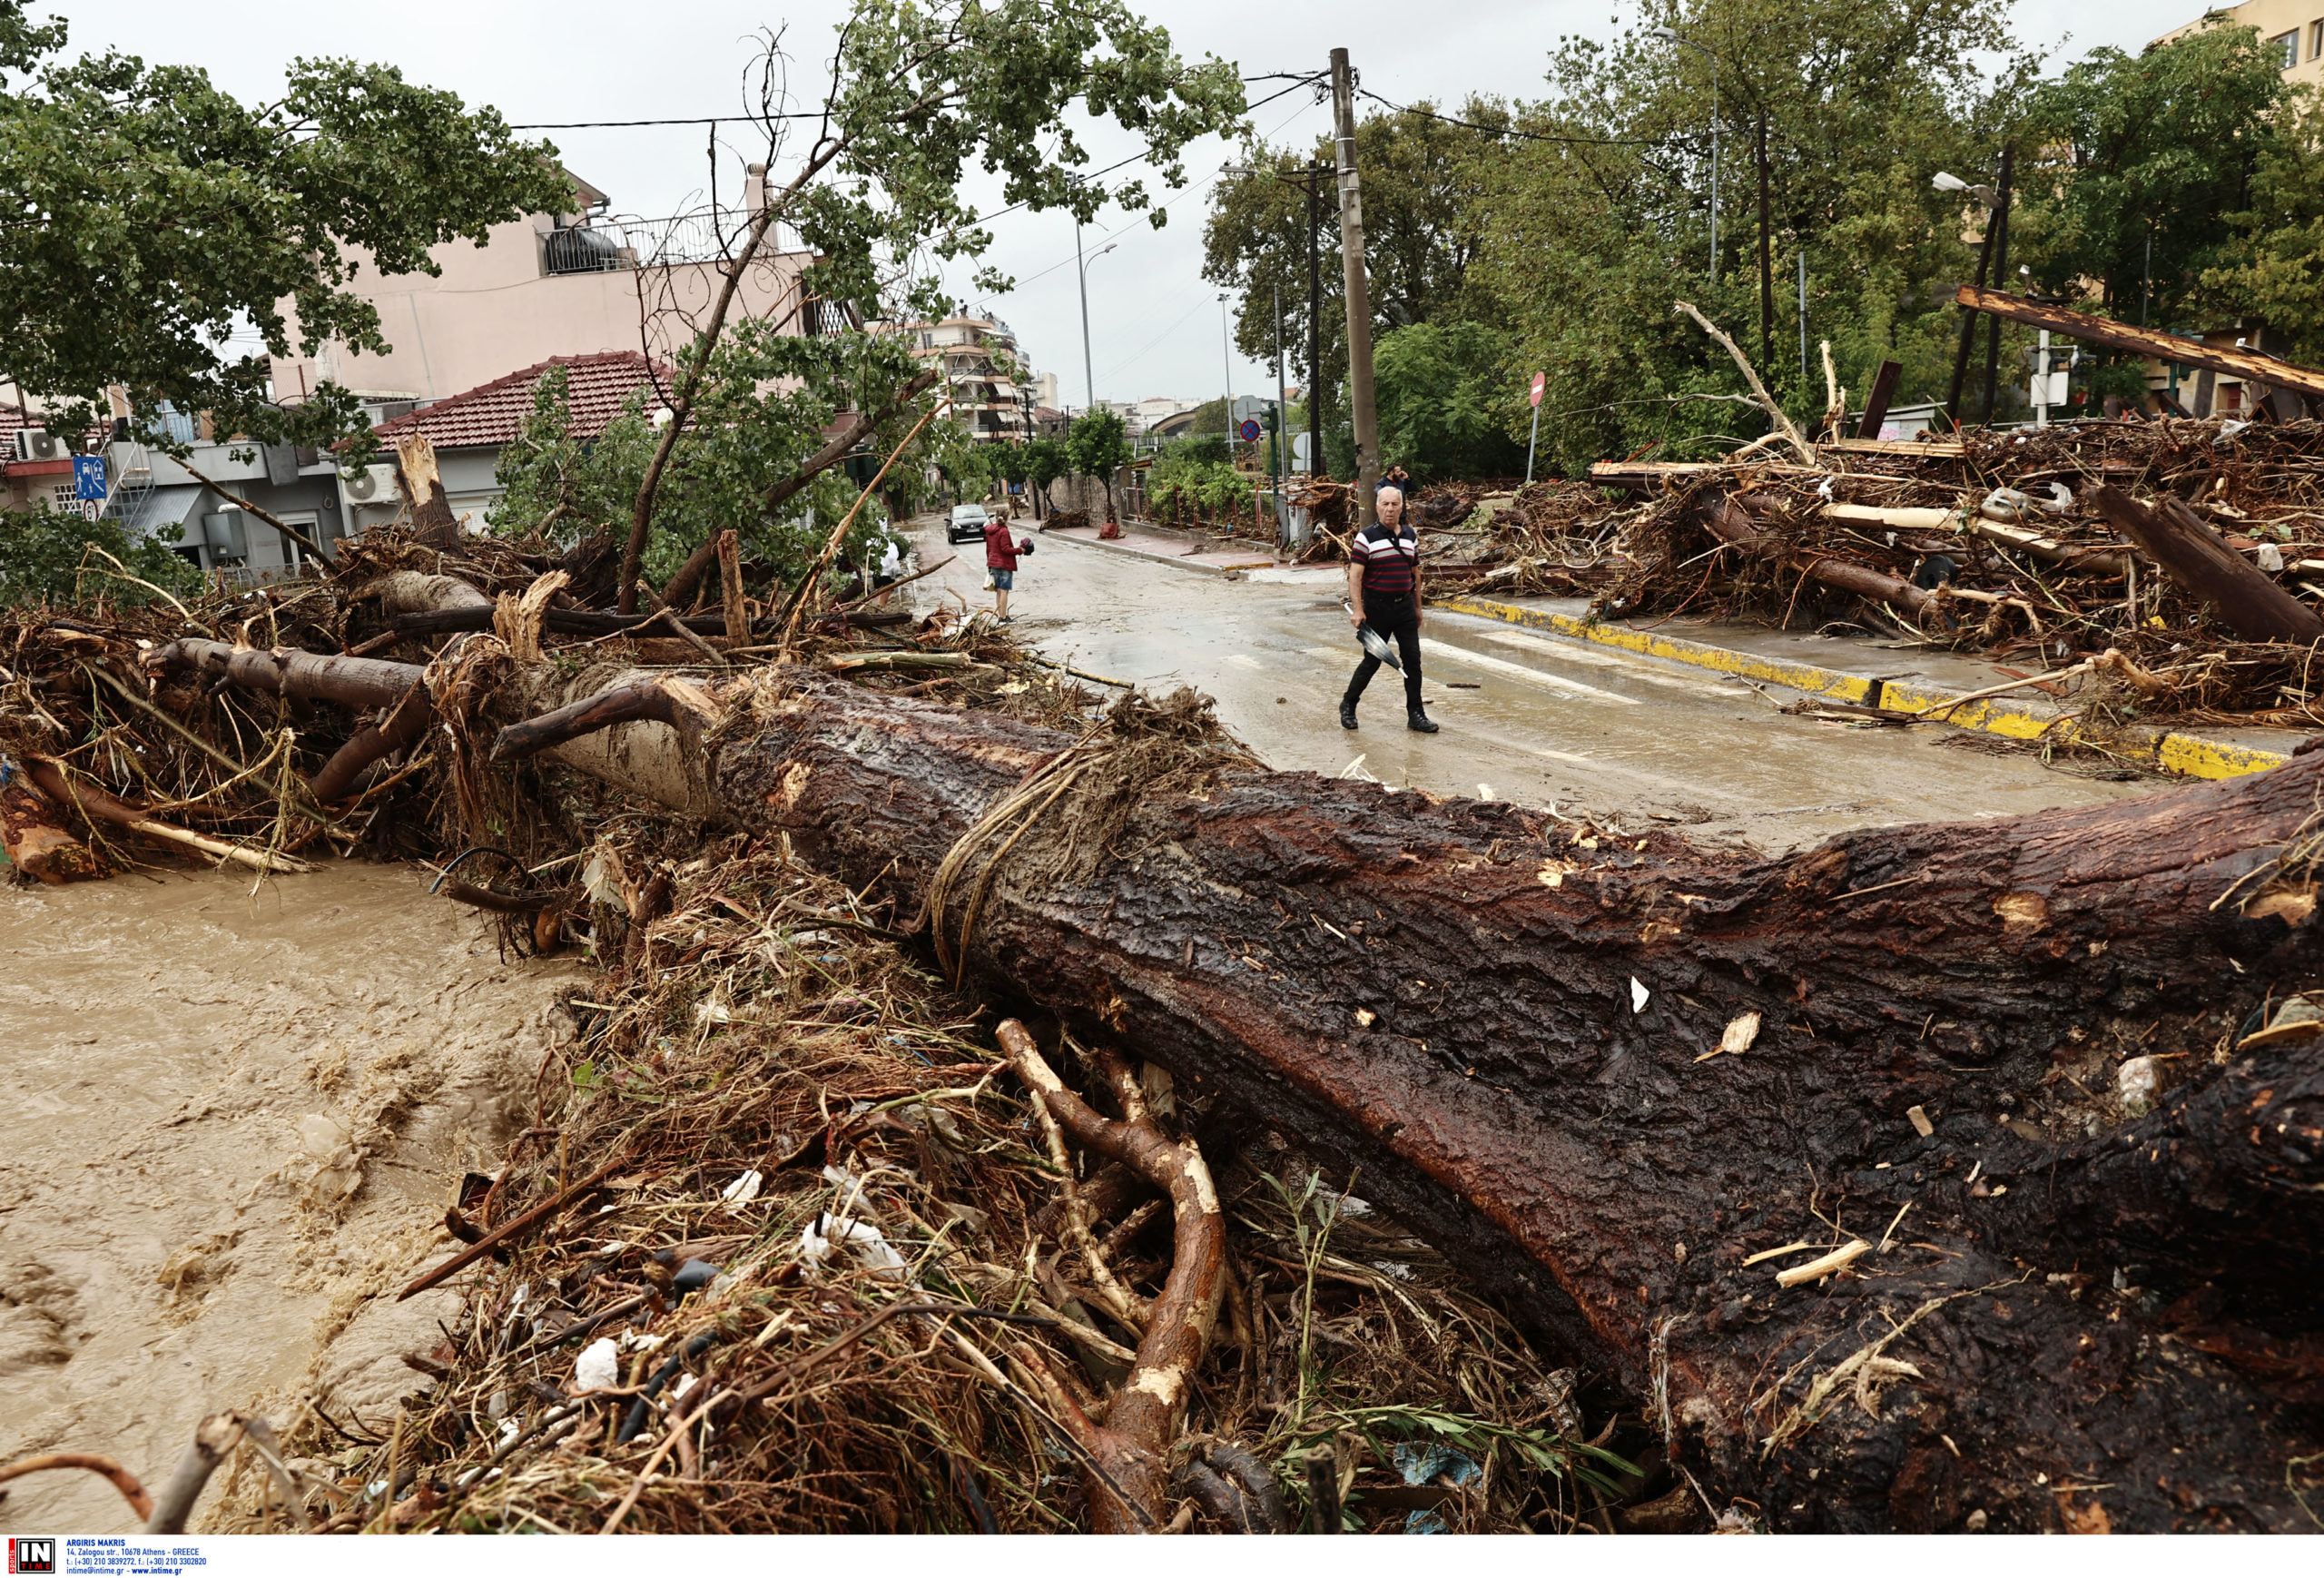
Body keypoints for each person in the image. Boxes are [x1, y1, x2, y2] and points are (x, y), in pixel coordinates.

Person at [1341, 483, 1435, 733]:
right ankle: (1349, 704)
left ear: (1402, 507)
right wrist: (1359, 610)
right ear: (1377, 507)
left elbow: (1415, 573)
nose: (1390, 509)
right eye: (1385, 504)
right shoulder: (1366, 537)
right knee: (1372, 662)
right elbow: (1355, 577)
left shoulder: (1410, 535)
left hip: (1403, 607)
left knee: (1413, 661)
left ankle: (1416, 714)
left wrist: (1418, 608)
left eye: (1395, 504)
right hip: (1377, 608)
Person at [983, 509, 1032, 621]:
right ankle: (1003, 617)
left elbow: (989, 549)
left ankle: (1001, 616)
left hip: (993, 563)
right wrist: (1020, 550)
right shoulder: (1003, 531)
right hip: (1003, 564)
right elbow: (1005, 549)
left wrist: (990, 563)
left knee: (999, 591)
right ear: (1007, 518)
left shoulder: (990, 530)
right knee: (1004, 591)